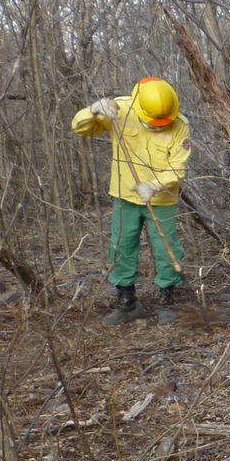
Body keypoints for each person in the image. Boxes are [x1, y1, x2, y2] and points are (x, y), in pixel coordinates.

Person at [72, 77, 190, 325]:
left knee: (166, 248)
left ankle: (166, 299)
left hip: (162, 199)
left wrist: (155, 185)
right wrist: (93, 110)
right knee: (122, 247)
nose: (158, 127)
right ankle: (127, 302)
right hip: (125, 195)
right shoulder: (119, 110)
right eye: (153, 123)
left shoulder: (180, 124)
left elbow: (178, 166)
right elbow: (80, 128)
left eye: (162, 124)